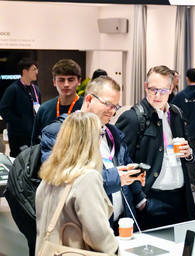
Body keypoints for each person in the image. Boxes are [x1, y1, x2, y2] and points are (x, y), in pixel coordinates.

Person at [40, 76, 146, 231]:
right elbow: (62, 180)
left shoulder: (113, 133)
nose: (113, 112)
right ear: (89, 99)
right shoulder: (59, 132)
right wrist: (116, 178)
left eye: (116, 106)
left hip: (121, 224)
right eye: (108, 104)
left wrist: (134, 179)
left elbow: (125, 164)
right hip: (85, 229)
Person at [116, 65, 195, 229]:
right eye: (153, 90)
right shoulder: (133, 118)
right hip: (151, 199)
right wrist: (140, 200)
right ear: (146, 87)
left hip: (181, 197)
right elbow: (122, 162)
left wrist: (189, 153)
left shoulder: (177, 114)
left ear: (171, 89)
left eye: (163, 91)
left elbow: (189, 153)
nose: (158, 96)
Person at [35, 112, 118, 255]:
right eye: (100, 134)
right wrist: (116, 249)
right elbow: (98, 235)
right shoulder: (87, 178)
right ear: (92, 140)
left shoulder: (50, 175)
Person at [31, 59, 84, 144]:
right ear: (54, 82)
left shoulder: (87, 107)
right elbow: (35, 143)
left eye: (70, 80)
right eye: (61, 80)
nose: (66, 84)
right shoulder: (44, 109)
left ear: (79, 81)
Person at [0, 58, 41, 156]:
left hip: (34, 136)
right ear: (24, 71)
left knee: (34, 159)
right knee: (18, 160)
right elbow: (4, 110)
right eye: (34, 69)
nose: (37, 72)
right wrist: (19, 124)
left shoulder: (36, 89)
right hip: (18, 137)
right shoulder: (13, 89)